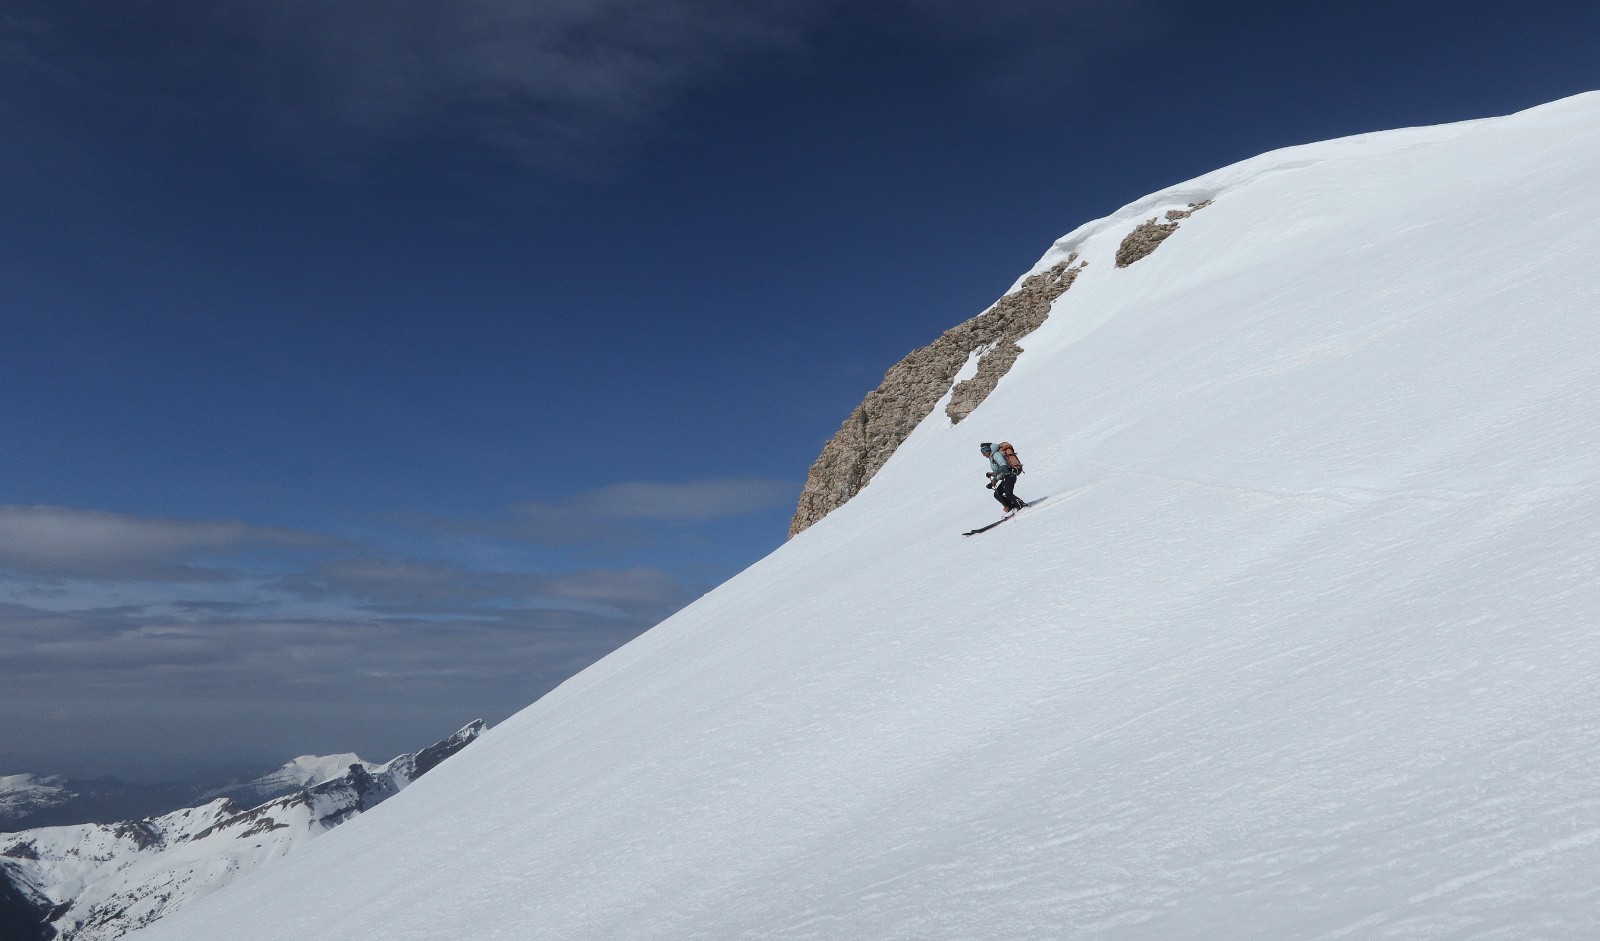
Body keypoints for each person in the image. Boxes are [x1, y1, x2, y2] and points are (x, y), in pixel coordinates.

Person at [980, 442, 1026, 514]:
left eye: (983, 452)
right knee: (997, 494)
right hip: (1006, 476)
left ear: (987, 450)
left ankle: (1022, 506)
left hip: (1010, 475)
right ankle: (1012, 508)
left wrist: (993, 474)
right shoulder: (992, 457)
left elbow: (1004, 467)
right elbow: (1000, 472)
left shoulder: (996, 455)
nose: (983, 454)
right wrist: (994, 480)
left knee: (1008, 494)